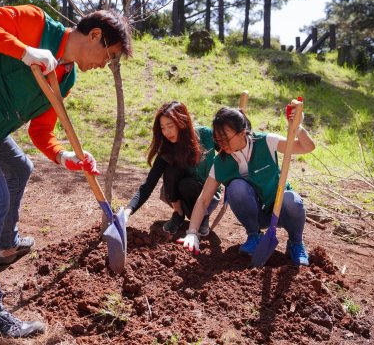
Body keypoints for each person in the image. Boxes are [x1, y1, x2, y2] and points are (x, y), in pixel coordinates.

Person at [0, 4, 132, 338]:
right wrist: (24, 52)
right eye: (111, 54)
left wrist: (67, 157)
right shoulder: (34, 23)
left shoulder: (66, 77)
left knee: (20, 166)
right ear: (95, 35)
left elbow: (41, 133)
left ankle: (5, 246)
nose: (107, 64)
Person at [177, 99, 315, 266]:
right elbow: (203, 200)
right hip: (256, 216)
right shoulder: (221, 162)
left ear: (242, 132)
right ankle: (254, 236)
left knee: (293, 200)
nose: (222, 144)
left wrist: (297, 128)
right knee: (236, 187)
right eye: (218, 139)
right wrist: (192, 233)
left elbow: (306, 147)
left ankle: (295, 243)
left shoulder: (266, 142)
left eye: (226, 138)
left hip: (280, 208)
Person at [124, 101, 220, 236]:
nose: (166, 132)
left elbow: (227, 151)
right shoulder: (167, 149)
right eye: (163, 128)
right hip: (180, 194)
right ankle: (178, 213)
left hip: (208, 195)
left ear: (182, 122)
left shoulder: (205, 135)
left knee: (188, 184)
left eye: (170, 126)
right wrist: (127, 211)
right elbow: (147, 185)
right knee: (172, 171)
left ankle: (203, 217)